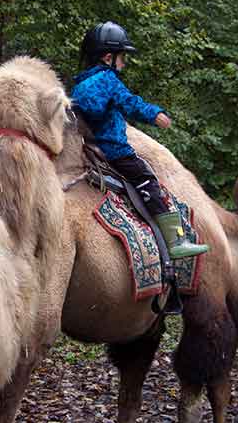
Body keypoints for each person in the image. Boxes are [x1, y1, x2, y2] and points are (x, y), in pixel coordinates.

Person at [70, 22, 209, 261]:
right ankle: (176, 241)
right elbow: (130, 102)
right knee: (147, 179)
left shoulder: (79, 86)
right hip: (115, 150)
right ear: (107, 57)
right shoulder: (108, 80)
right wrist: (154, 114)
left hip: (90, 148)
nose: (124, 62)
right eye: (122, 57)